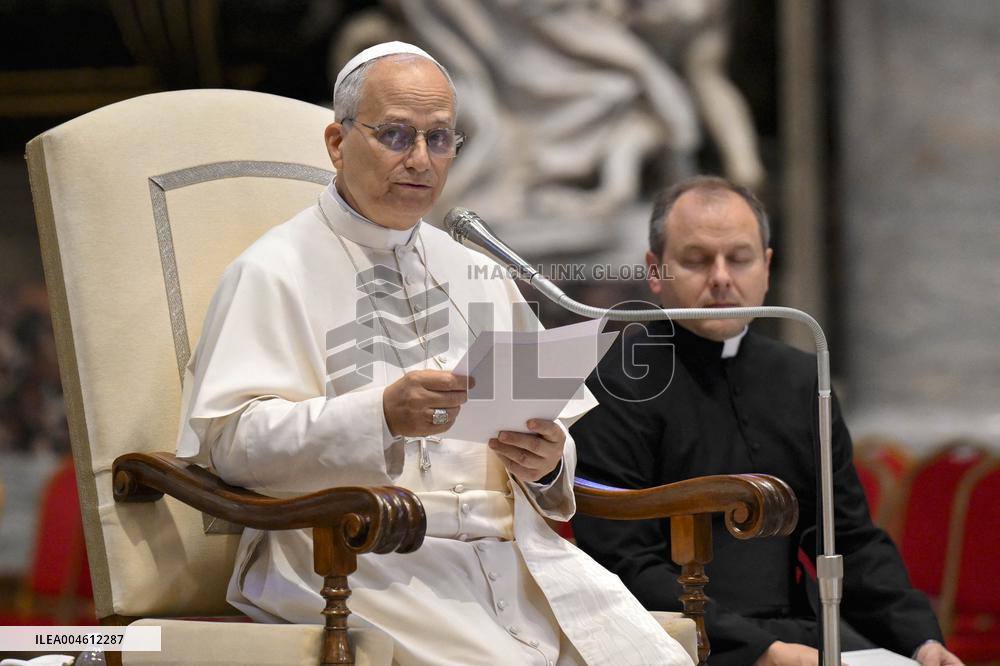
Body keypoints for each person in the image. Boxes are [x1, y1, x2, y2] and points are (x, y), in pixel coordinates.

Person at [175, 42, 692, 666]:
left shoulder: (476, 270)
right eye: (395, 135)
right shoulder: (272, 272)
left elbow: (547, 438)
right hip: (357, 560)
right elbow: (232, 443)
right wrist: (381, 416)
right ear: (338, 143)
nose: (420, 160)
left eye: (439, 138)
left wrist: (547, 461)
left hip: (503, 561)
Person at [569, 176, 963, 666]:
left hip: (797, 634)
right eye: (696, 260)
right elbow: (621, 559)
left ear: (767, 267)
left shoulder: (801, 377)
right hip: (666, 639)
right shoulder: (615, 378)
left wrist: (921, 641)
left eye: (739, 258)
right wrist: (760, 651)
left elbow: (849, 538)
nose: (720, 277)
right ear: (655, 270)